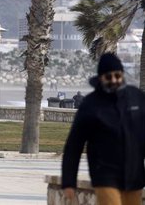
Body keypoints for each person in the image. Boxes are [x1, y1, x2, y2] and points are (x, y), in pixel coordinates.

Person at [61, 53, 145, 205]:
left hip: (134, 176)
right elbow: (74, 145)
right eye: (108, 77)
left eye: (117, 76)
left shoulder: (136, 98)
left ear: (122, 75)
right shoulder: (90, 105)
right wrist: (68, 182)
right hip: (105, 174)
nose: (113, 80)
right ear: (100, 78)